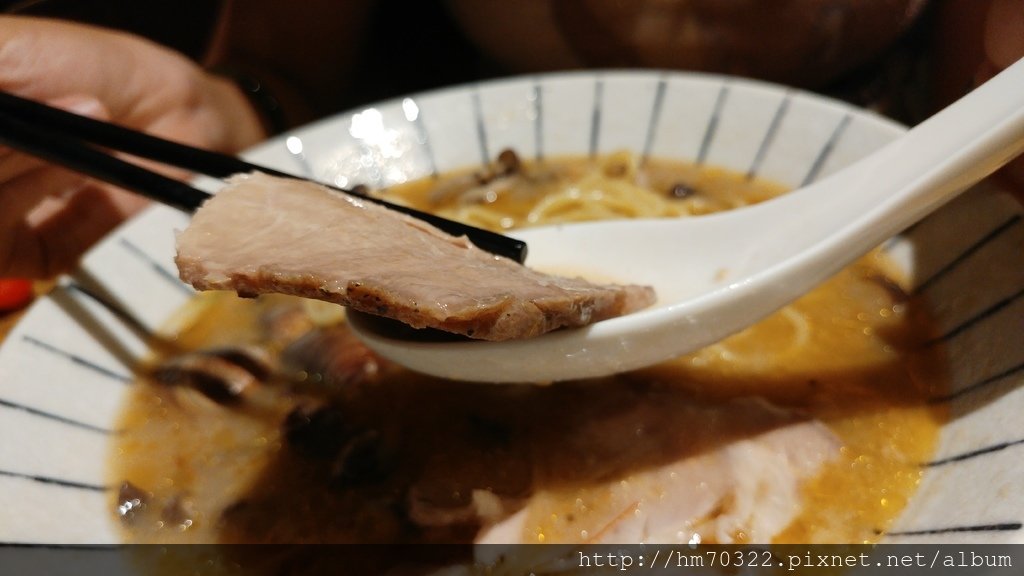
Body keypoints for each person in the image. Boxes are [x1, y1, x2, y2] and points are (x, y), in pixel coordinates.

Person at [0, 0, 1021, 279]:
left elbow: (977, 151)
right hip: (463, 172)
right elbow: (285, 74)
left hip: (896, 160)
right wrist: (221, 124)